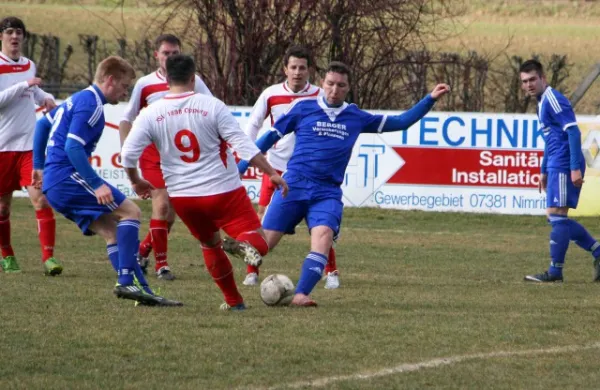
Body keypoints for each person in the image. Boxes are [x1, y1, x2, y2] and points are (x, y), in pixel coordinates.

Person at [238, 61, 450, 306]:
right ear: (322, 84)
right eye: (330, 84)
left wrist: (429, 99)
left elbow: (401, 122)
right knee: (262, 247)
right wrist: (242, 166)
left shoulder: (355, 116)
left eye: (341, 85)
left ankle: (300, 294)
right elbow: (269, 137)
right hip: (294, 185)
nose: (334, 89)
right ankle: (231, 251)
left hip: (326, 192)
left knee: (323, 236)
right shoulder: (303, 108)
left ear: (348, 88)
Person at [121, 54, 288, 310]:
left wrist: (136, 181)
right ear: (193, 78)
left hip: (184, 198)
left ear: (166, 79)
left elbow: (128, 155)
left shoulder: (151, 113)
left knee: (210, 244)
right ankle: (244, 245)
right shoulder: (212, 106)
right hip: (222, 191)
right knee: (260, 242)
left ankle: (234, 302)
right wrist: (271, 172)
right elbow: (242, 145)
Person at [32, 55, 181, 306]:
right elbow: (73, 148)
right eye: (124, 86)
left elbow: (42, 126)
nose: (125, 93)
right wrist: (96, 183)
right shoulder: (92, 105)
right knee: (131, 212)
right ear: (110, 80)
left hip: (56, 183)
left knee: (113, 232)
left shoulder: (77, 99)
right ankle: (125, 282)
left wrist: (38, 165)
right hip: (68, 177)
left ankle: (141, 289)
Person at [234, 45, 340, 289]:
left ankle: (331, 271)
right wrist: (246, 157)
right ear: (285, 69)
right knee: (263, 220)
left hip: (307, 172)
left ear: (310, 70)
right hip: (274, 169)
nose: (297, 72)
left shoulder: (319, 95)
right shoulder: (270, 94)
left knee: (319, 223)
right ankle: (252, 271)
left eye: (303, 68)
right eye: (293, 67)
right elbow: (253, 125)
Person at [119, 34, 213, 281]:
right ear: (156, 56)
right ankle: (162, 266)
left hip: (178, 156)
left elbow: (211, 109)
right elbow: (126, 120)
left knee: (169, 216)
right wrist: (128, 151)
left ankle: (140, 253)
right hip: (153, 154)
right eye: (165, 53)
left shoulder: (194, 81)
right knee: (161, 206)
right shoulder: (145, 84)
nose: (170, 57)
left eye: (174, 53)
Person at [520, 59, 600, 283]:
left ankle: (555, 271)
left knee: (557, 216)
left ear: (543, 78)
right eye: (525, 81)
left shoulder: (553, 99)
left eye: (533, 79)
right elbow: (550, 139)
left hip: (565, 164)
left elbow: (573, 132)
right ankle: (597, 252)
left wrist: (574, 168)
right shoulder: (541, 102)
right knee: (555, 217)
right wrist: (543, 170)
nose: (529, 85)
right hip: (556, 163)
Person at [0, 16, 60, 275]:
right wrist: (25, 84)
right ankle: (7, 255)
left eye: (19, 33)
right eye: (10, 32)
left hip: (29, 147)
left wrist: (46, 98)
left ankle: (49, 259)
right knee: (2, 207)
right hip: (3, 147)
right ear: (1, 36)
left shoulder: (29, 65)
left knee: (41, 200)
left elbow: (34, 94)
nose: (15, 37)